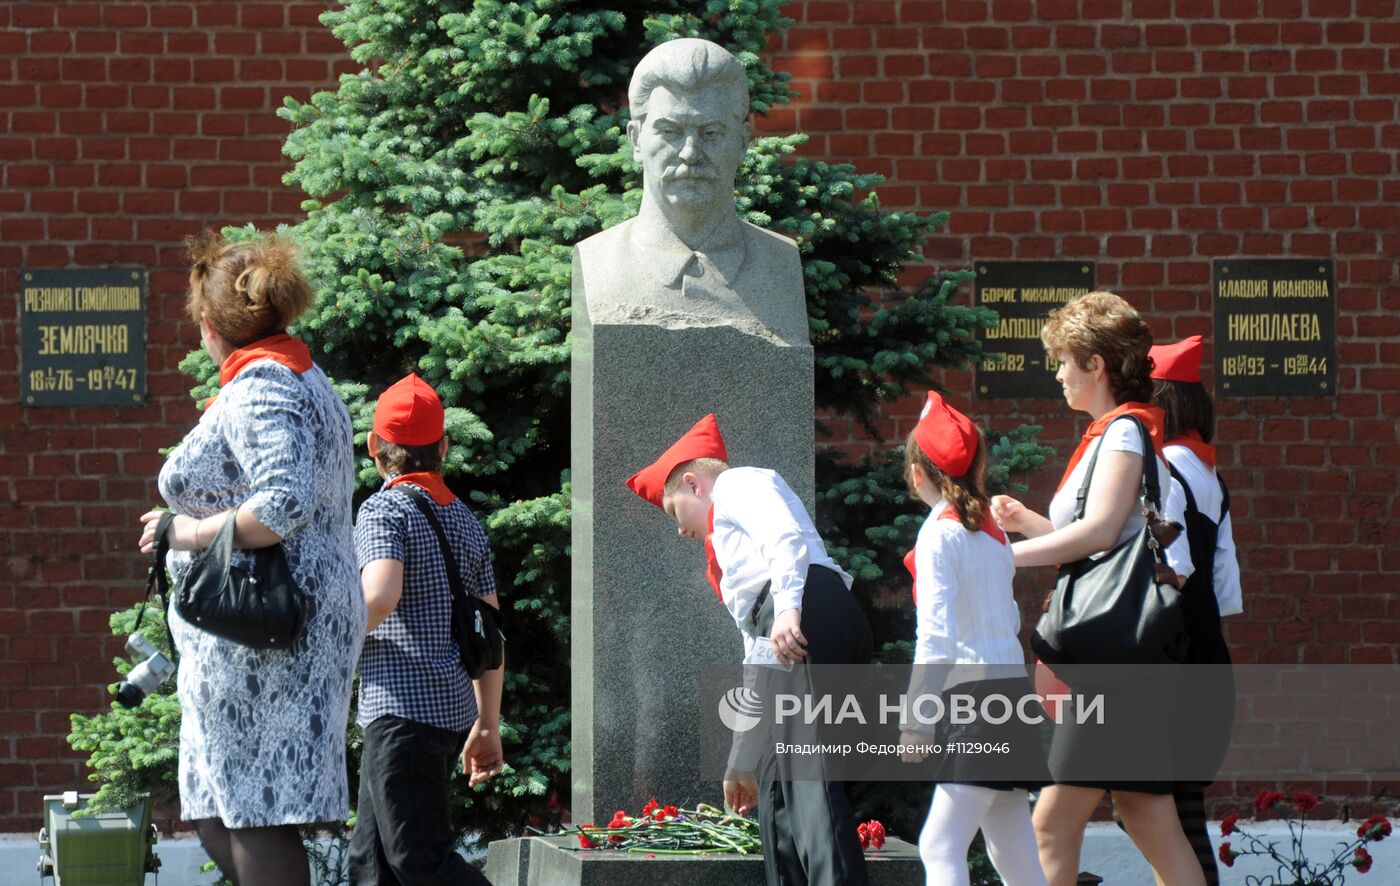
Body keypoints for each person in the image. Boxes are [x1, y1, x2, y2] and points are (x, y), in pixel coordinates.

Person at [137, 231, 363, 886]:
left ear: (210, 327)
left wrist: (189, 533)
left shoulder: (263, 385)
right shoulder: (289, 374)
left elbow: (282, 504)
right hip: (254, 629)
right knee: (217, 810)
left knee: (256, 813)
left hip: (269, 628)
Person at [988, 291, 1204, 886]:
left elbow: (1102, 532)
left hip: (1112, 671)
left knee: (1052, 826)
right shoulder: (1114, 433)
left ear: (1095, 364)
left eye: (1063, 361)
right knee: (1145, 813)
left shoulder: (1124, 433)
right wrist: (1027, 525)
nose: (1057, 374)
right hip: (1125, 663)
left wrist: (1000, 558)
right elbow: (1098, 533)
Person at [626, 413, 871, 886]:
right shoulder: (737, 568)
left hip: (810, 612)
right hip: (797, 620)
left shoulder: (739, 484)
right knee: (776, 790)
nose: (680, 532)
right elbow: (756, 659)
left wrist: (787, 611)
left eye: (674, 511)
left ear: (695, 485)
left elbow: (785, 539)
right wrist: (740, 759)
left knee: (809, 784)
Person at [349, 373, 505, 885]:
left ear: (375, 446)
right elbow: (490, 635)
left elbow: (380, 594)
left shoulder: (383, 509)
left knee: (420, 860)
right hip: (446, 711)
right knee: (371, 866)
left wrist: (326, 642)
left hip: (400, 711)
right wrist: (487, 723)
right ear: (442, 446)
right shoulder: (463, 518)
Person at [898, 392, 1049, 886]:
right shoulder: (994, 534)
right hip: (1009, 693)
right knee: (1011, 845)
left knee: (939, 845)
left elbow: (936, 636)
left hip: (975, 700)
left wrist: (918, 717)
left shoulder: (939, 533)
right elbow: (1007, 620)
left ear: (918, 474)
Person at [574, 37, 809, 345]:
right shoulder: (599, 264)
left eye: (711, 133)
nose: (690, 153)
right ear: (636, 140)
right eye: (669, 131)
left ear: (741, 142)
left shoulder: (780, 265)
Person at [1150, 335, 1242, 885]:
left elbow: (1170, 572)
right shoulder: (1213, 478)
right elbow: (1226, 593)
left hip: (1172, 663)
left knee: (1160, 818)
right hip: (1210, 659)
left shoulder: (1164, 472)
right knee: (1181, 820)